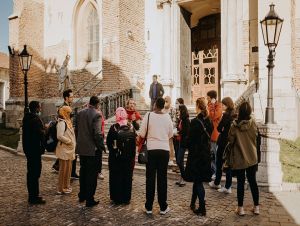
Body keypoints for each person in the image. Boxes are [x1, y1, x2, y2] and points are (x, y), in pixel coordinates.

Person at [139, 97, 173, 215]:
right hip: (164, 150)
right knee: (162, 179)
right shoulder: (167, 117)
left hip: (152, 150)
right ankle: (163, 207)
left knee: (150, 178)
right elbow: (170, 134)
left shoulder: (148, 115)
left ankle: (149, 206)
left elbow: (142, 133)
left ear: (154, 105)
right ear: (163, 106)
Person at [227, 102, 259, 216]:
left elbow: (230, 140)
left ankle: (240, 209)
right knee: (253, 182)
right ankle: (256, 208)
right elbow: (256, 137)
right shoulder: (253, 123)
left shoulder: (234, 126)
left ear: (239, 111)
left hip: (240, 157)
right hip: (252, 157)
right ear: (250, 111)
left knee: (240, 183)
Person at [75, 96, 106, 207]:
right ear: (97, 104)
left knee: (83, 172)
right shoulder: (97, 114)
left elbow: (76, 130)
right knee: (91, 175)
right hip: (92, 149)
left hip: (82, 148)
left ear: (89, 103)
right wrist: (102, 146)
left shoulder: (80, 113)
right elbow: (97, 134)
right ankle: (89, 199)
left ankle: (82, 195)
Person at [185, 98, 213, 216]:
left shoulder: (195, 122)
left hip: (196, 156)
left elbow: (190, 140)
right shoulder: (209, 121)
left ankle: (202, 207)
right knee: (198, 180)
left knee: (198, 181)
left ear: (197, 106)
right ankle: (192, 203)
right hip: (205, 154)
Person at [107, 107, 136, 204]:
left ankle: (117, 198)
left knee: (116, 177)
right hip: (128, 158)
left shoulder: (113, 128)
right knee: (127, 177)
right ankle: (126, 198)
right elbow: (134, 142)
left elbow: (108, 143)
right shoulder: (131, 127)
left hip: (116, 158)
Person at [209, 97, 236, 193]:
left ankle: (217, 183)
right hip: (231, 142)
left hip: (223, 141)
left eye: (223, 104)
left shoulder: (226, 115)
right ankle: (228, 186)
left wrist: (222, 129)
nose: (222, 106)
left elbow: (219, 128)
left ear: (227, 105)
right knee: (227, 163)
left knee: (219, 162)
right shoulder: (234, 114)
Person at [22, 101, 46, 204]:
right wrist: (46, 129)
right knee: (35, 173)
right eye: (39, 107)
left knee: (31, 172)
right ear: (36, 108)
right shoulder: (36, 120)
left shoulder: (26, 118)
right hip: (34, 150)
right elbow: (40, 134)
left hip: (28, 149)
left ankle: (32, 195)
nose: (40, 109)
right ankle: (34, 197)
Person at [52, 89, 79, 179]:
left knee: (71, 154)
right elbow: (61, 122)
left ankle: (58, 166)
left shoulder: (67, 106)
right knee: (71, 154)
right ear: (66, 98)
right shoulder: (63, 108)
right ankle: (71, 173)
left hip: (69, 132)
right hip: (65, 135)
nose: (72, 98)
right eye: (71, 97)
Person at [55, 106, 76, 195]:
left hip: (69, 150)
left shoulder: (68, 121)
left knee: (68, 170)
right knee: (63, 170)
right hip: (64, 149)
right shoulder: (62, 123)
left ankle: (66, 186)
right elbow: (59, 136)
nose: (70, 114)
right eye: (68, 112)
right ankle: (61, 188)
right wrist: (69, 141)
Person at [206, 90, 222, 178]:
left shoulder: (219, 105)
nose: (206, 98)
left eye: (208, 97)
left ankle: (216, 173)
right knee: (210, 155)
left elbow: (213, 116)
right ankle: (212, 172)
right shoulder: (208, 105)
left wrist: (212, 106)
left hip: (215, 134)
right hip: (208, 133)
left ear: (212, 98)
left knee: (215, 155)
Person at [175, 104, 190, 187]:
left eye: (178, 110)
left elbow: (186, 132)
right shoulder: (180, 119)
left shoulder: (186, 120)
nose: (177, 111)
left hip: (183, 142)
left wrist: (178, 133)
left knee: (179, 160)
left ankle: (184, 177)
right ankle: (182, 177)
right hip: (178, 141)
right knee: (178, 160)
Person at [162, 96, 176, 166]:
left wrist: (172, 127)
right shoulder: (162, 110)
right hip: (163, 130)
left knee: (170, 144)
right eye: (165, 101)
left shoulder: (172, 109)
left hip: (170, 129)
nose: (166, 102)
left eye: (167, 101)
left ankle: (171, 159)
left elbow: (174, 119)